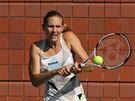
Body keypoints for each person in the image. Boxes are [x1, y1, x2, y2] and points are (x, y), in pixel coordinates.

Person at [29, 10, 93, 101]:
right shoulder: (36, 47)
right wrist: (54, 72)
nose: (54, 30)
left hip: (76, 96)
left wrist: (80, 67)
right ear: (43, 27)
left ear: (62, 28)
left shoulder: (69, 37)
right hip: (52, 98)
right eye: (51, 26)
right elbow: (35, 81)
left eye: (58, 26)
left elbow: (90, 66)